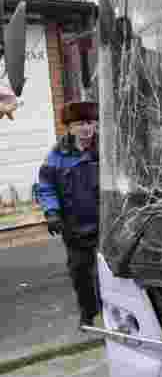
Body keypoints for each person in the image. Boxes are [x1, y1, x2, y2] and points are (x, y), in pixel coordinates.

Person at [38, 101, 101, 329]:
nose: (87, 128)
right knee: (80, 273)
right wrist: (52, 212)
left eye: (90, 123)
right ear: (69, 127)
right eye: (80, 124)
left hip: (106, 224)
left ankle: (114, 314)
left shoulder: (106, 148)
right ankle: (88, 313)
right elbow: (45, 186)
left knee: (109, 273)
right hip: (74, 227)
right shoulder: (57, 155)